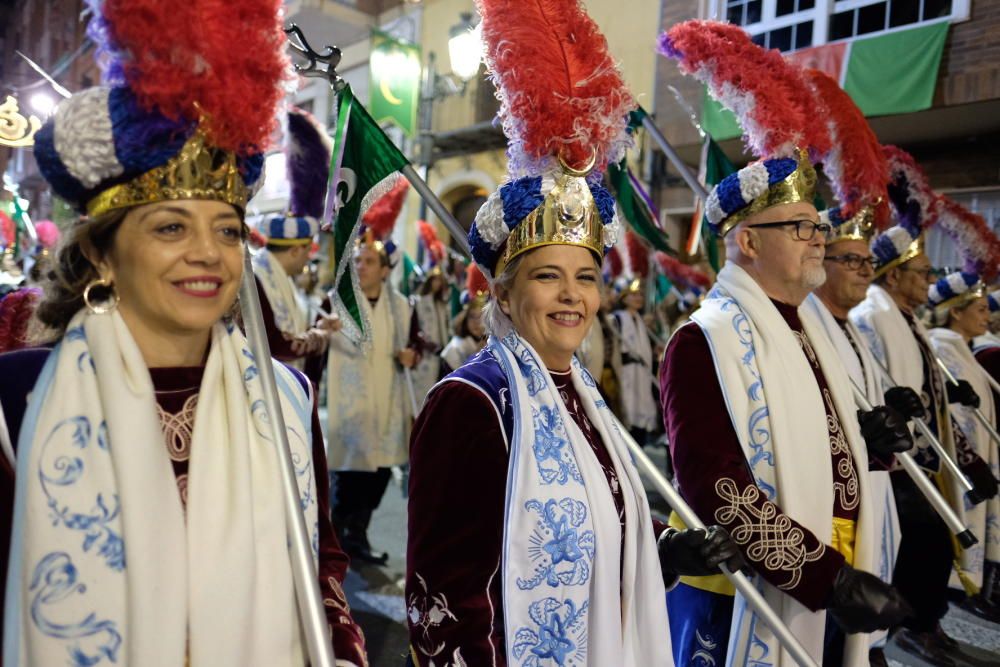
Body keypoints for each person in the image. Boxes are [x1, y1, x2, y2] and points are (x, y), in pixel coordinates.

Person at [0, 2, 367, 664]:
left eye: (226, 229)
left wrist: (342, 647)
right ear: (104, 254)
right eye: (171, 226)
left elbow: (320, 560)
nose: (209, 253)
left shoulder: (284, 395)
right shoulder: (13, 398)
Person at [407, 2, 745, 664]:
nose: (572, 296)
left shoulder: (579, 387)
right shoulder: (472, 403)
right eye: (547, 276)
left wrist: (658, 545)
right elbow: (444, 595)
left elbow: (593, 510)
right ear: (503, 290)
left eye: (585, 276)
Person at [659, 151, 911, 667]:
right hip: (756, 587)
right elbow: (716, 485)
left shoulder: (806, 327)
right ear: (748, 241)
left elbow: (819, 447)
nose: (820, 236)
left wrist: (870, 448)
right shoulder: (704, 338)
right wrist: (829, 580)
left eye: (817, 226)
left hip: (834, 567)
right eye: (801, 226)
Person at [852, 213, 996, 664]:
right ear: (893, 275)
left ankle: (923, 622)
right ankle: (910, 627)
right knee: (921, 544)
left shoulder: (908, 320)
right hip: (898, 460)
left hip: (925, 456)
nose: (928, 281)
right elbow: (868, 381)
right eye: (922, 272)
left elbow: (924, 382)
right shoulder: (874, 314)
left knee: (931, 544)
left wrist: (950, 391)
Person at [804, 205, 923, 665]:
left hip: (871, 483)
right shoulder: (810, 325)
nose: (865, 271)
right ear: (821, 263)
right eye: (851, 260)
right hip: (833, 501)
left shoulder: (848, 326)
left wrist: (892, 408)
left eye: (868, 261)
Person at [326, 213, 416, 566]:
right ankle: (339, 536)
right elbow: (316, 343)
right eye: (358, 260)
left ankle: (357, 534)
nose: (361, 266)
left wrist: (412, 353)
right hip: (351, 406)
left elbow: (419, 342)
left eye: (369, 261)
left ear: (384, 269)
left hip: (387, 401)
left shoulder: (402, 307)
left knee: (379, 471)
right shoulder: (337, 302)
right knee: (348, 474)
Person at [927, 272, 1000, 617]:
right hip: (959, 462)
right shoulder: (942, 348)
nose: (987, 317)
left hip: (975, 458)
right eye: (981, 309)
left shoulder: (964, 351)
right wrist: (969, 461)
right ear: (956, 311)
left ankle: (973, 590)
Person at [252, 108, 339, 382]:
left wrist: (318, 326)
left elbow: (293, 332)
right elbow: (278, 344)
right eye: (307, 251)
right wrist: (322, 334)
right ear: (294, 250)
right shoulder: (256, 278)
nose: (308, 260)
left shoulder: (281, 278)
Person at [612, 278, 659, 445]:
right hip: (627, 374)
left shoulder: (640, 320)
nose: (638, 298)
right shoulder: (617, 319)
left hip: (642, 374)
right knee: (627, 413)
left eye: (640, 294)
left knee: (642, 417)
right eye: (633, 295)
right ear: (624, 298)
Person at [439, 264, 488, 374]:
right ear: (465, 318)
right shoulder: (454, 349)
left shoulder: (494, 344)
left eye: (481, 317)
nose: (477, 323)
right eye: (472, 317)